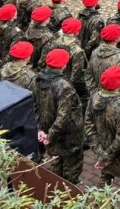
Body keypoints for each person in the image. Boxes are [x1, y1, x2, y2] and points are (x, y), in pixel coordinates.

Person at [85, 65, 120, 209]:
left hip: (102, 149)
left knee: (104, 182)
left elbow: (89, 127)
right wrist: (107, 156)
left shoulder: (94, 97)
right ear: (119, 84)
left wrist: (101, 154)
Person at [35, 48, 85, 183]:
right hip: (68, 138)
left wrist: (40, 129)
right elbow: (63, 116)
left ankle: (53, 194)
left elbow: (36, 106)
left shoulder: (39, 79)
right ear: (64, 65)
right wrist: (50, 135)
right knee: (70, 175)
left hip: (48, 132)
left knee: (56, 168)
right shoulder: (64, 87)